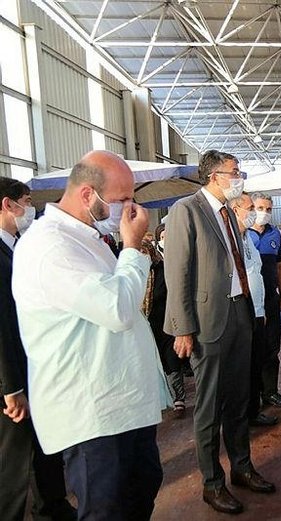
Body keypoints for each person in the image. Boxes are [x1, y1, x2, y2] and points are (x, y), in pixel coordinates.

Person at [12, 151, 168, 520]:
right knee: (107, 507)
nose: (129, 208)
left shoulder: (86, 238)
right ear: (87, 194)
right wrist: (132, 248)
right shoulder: (50, 247)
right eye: (121, 200)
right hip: (92, 411)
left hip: (121, 405)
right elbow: (116, 308)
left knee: (141, 488)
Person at [164, 150, 275, 515]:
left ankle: (242, 467)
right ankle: (212, 484)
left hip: (239, 313)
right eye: (234, 172)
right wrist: (182, 328)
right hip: (207, 321)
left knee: (239, 399)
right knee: (209, 408)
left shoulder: (228, 212)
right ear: (214, 176)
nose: (239, 177)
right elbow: (177, 272)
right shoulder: (187, 211)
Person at [1, 179, 75, 521]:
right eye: (27, 202)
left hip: (35, 367)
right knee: (13, 463)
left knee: (46, 448)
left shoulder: (16, 247)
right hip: (11, 380)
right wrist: (11, 387)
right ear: (7, 205)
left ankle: (54, 508)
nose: (31, 210)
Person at [229, 194, 277, 427]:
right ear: (235, 209)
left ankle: (254, 410)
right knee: (244, 365)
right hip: (242, 311)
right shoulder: (229, 239)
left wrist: (261, 309)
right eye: (250, 209)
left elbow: (256, 272)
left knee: (256, 360)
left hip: (257, 310)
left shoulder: (246, 237)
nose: (254, 214)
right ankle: (244, 415)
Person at [248, 192, 281, 411]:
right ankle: (252, 397)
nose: (264, 213)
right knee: (251, 349)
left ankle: (270, 392)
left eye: (268, 209)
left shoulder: (275, 233)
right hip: (248, 302)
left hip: (271, 299)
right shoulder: (242, 234)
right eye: (260, 208)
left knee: (272, 346)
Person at [143, 223, 187, 418]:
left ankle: (178, 397)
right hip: (146, 325)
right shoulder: (137, 275)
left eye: (146, 252)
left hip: (167, 322)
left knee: (172, 360)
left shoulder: (163, 268)